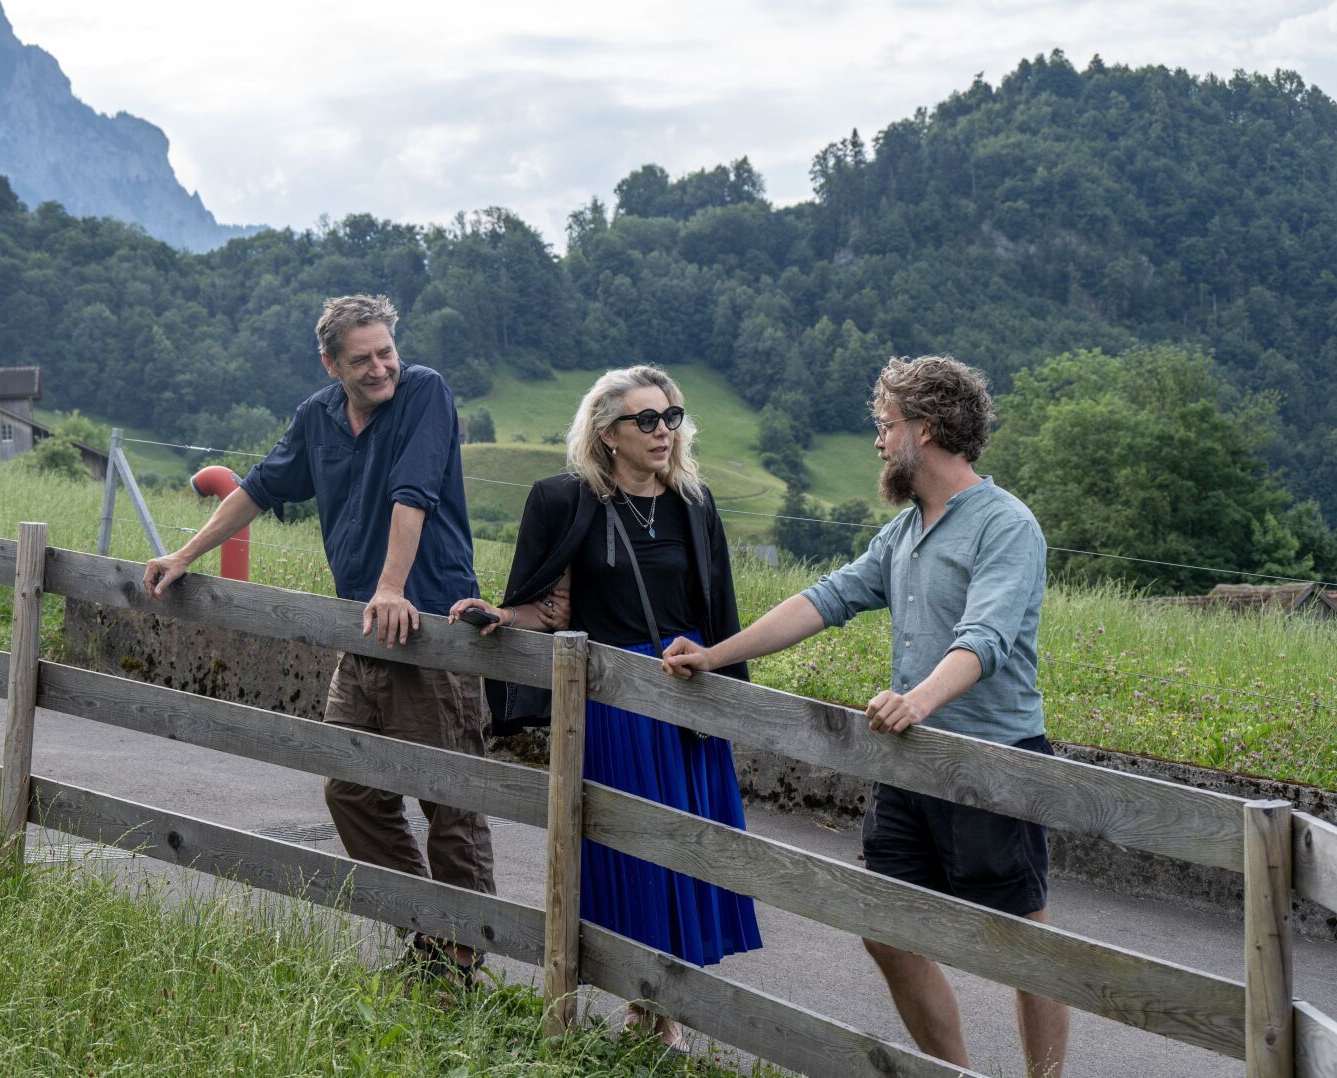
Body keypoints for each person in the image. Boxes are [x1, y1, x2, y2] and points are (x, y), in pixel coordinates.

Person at [662, 355, 1070, 1077]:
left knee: (1022, 947)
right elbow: (824, 600)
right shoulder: (905, 531)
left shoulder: (1007, 526)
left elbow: (987, 638)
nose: (879, 442)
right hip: (906, 762)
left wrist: (919, 699)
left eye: (886, 427)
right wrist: (717, 655)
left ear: (927, 428)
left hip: (990, 760)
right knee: (884, 930)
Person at [143, 294, 492, 985]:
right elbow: (258, 489)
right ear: (331, 363)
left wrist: (393, 587)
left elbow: (413, 491)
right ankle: (426, 930)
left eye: (385, 351)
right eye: (361, 358)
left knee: (450, 796)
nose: (379, 367)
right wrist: (186, 555)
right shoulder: (319, 417)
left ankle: (461, 957)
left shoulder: (424, 392)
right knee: (350, 792)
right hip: (360, 633)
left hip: (430, 631)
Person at [449, 365, 762, 1049]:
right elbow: (548, 606)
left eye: (671, 417)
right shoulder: (564, 500)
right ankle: (645, 1007)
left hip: (685, 696)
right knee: (630, 854)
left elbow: (721, 611)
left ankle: (666, 1009)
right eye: (646, 420)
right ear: (607, 432)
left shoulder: (695, 504)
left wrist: (730, 703)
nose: (663, 431)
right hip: (615, 704)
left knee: (685, 853)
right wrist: (498, 614)